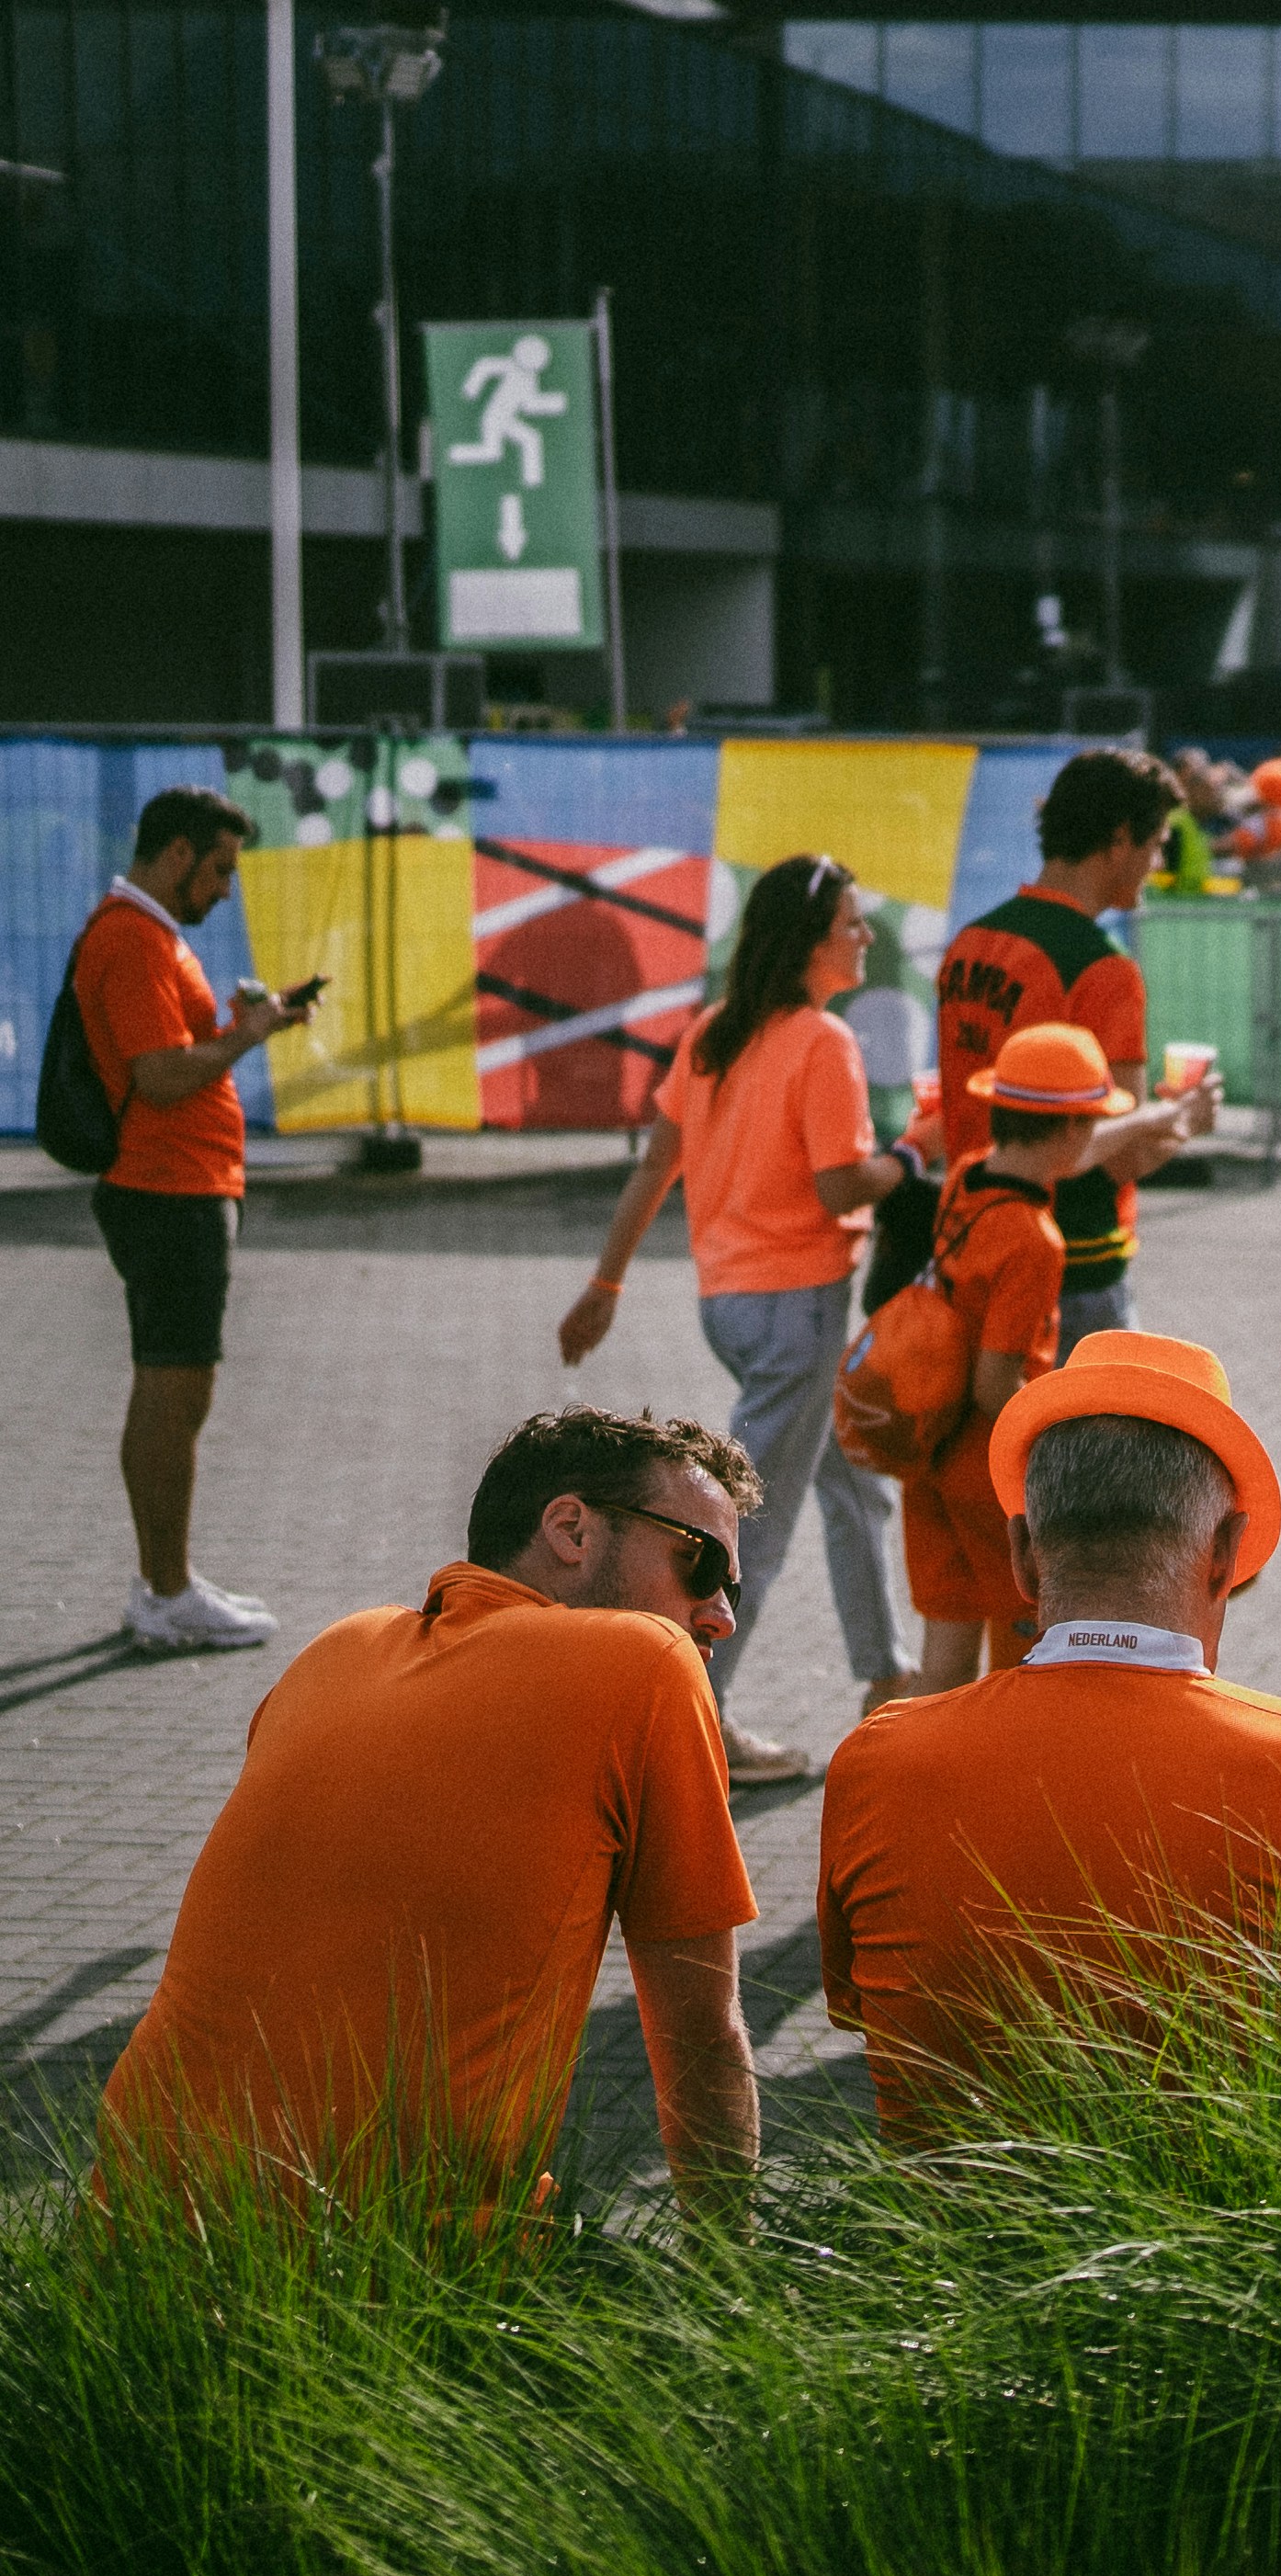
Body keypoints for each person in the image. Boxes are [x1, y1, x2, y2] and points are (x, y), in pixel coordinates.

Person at [96, 1409, 763, 2217]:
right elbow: (701, 2038)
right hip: (383, 2289)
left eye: (733, 1585)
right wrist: (735, 2284)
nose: (722, 1613)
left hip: (126, 2247)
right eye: (698, 1561)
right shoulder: (645, 1660)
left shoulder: (335, 1648)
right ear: (570, 1528)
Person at [819, 1331, 1281, 2139]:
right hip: (1241, 2259)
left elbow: (858, 2009)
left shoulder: (877, 1761)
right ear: (1221, 1557)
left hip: (945, 2257)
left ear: (1023, 1558)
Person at [555, 853, 913, 1776]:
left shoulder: (716, 1031)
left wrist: (607, 1285)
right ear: (810, 943)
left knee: (852, 1486)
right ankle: (692, 1714)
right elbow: (841, 1185)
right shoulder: (822, 1042)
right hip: (799, 1311)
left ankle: (886, 1672)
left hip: (734, 1307)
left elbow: (654, 1165)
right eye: (852, 924)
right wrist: (915, 1160)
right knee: (753, 1524)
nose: (865, 937)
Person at [74, 784, 293, 1652]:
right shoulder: (130, 938)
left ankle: (166, 1581)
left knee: (174, 1386)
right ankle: (164, 1592)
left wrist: (245, 1024)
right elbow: (160, 1075)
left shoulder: (147, 935)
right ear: (175, 855)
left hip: (182, 1187)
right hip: (166, 1192)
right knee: (174, 1388)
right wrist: (247, 1036)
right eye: (219, 869)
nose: (226, 890)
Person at [925, 748, 1210, 1345]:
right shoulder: (1102, 968)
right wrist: (1181, 1118)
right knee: (1083, 1437)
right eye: (1155, 844)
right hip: (1071, 1256)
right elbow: (1118, 1155)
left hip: (967, 1236)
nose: (1156, 863)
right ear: (1120, 838)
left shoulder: (972, 942)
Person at [884, 1021, 1104, 1692]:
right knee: (1021, 1662)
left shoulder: (965, 1174)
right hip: (991, 1472)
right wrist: (1059, 1432)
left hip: (929, 1452)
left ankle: (912, 1789)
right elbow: (991, 1383)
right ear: (1069, 1130)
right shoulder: (1034, 1238)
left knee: (943, 1657)